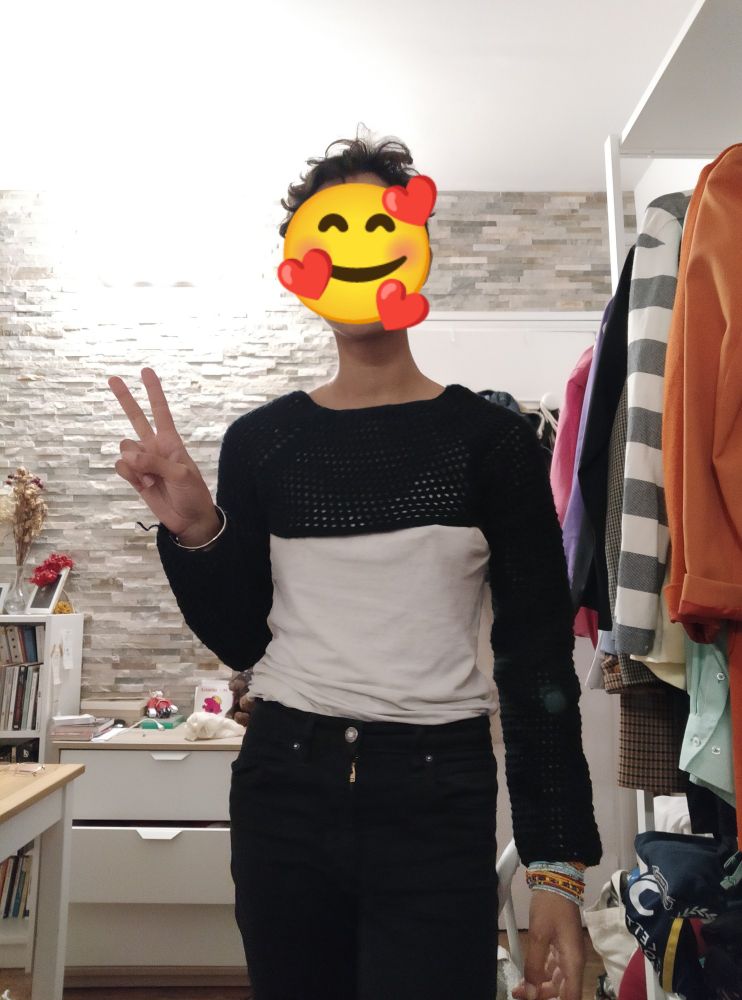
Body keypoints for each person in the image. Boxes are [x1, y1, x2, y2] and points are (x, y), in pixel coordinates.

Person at [108, 134, 602, 1000]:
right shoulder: (262, 443)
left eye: (378, 224)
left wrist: (555, 870)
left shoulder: (491, 443)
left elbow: (536, 663)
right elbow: (242, 638)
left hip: (437, 791)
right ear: (302, 268)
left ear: (414, 247)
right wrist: (197, 530)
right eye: (328, 234)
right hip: (283, 784)